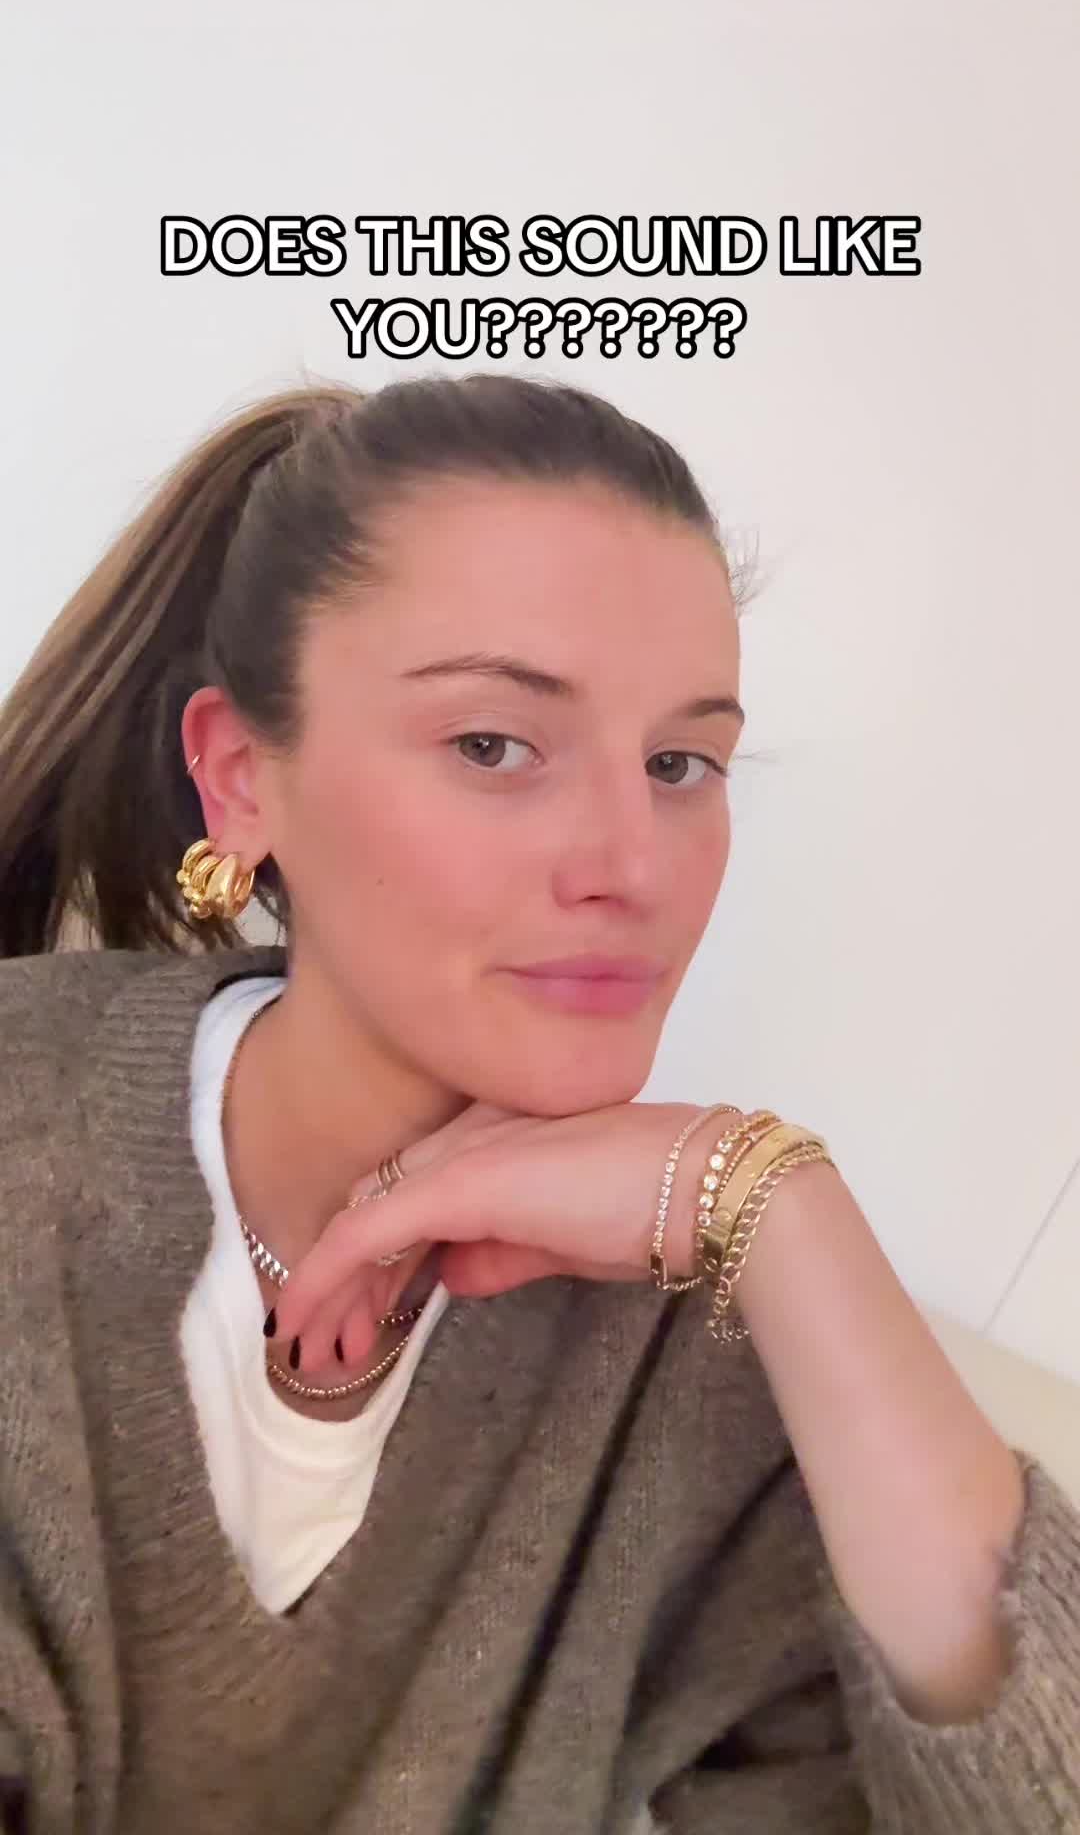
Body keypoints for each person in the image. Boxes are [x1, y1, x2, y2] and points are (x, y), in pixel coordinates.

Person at [0, 373, 1076, 1835]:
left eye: (681, 763)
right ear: (242, 781)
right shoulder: (27, 1130)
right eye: (494, 745)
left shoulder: (713, 1350)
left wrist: (783, 1207)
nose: (633, 865)